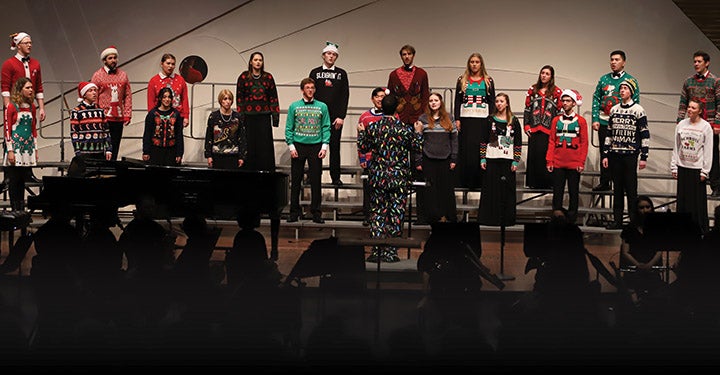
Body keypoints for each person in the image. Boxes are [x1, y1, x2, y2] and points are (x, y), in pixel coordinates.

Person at [357, 94, 423, 263]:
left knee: (378, 213)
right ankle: (391, 252)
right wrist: (418, 133)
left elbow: (364, 148)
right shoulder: (404, 129)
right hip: (399, 177)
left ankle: (377, 250)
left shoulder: (373, 128)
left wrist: (361, 133)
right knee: (396, 213)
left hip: (378, 176)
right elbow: (417, 147)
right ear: (396, 109)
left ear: (382, 108)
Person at [388, 44, 430, 223]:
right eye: (404, 54)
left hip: (416, 118)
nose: (406, 57)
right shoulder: (393, 74)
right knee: (398, 156)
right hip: (399, 118)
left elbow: (426, 95)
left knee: (417, 157)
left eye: (409, 54)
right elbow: (389, 96)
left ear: (414, 55)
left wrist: (425, 117)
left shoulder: (421, 74)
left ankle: (421, 210)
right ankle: (397, 208)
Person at [602, 78, 649, 229]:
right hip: (615, 154)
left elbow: (644, 134)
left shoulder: (638, 110)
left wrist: (644, 156)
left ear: (631, 92)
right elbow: (609, 133)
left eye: (625, 88)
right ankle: (617, 220)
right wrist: (605, 154)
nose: (622, 90)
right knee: (617, 189)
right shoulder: (614, 109)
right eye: (621, 88)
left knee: (631, 189)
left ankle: (634, 221)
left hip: (630, 155)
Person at [591, 50, 640, 192]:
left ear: (623, 62)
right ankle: (605, 181)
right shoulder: (603, 79)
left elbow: (636, 102)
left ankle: (622, 182)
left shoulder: (631, 81)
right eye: (611, 59)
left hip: (622, 123)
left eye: (617, 59)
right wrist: (595, 118)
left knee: (621, 153)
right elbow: (596, 99)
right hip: (604, 121)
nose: (613, 62)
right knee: (604, 152)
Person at [285, 78, 331, 224]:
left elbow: (326, 126)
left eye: (312, 87)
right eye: (307, 87)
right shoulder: (294, 106)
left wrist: (324, 146)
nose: (310, 90)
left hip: (316, 146)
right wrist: (291, 146)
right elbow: (289, 127)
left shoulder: (322, 106)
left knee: (316, 181)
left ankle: (316, 212)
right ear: (302, 90)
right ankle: (294, 212)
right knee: (296, 180)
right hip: (299, 145)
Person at [677, 50, 720, 198]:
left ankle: (715, 185)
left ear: (706, 63)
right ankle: (691, 184)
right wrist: (680, 122)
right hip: (692, 125)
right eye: (694, 61)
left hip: (709, 123)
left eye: (699, 61)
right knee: (690, 152)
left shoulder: (715, 81)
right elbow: (683, 103)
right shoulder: (688, 81)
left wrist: (717, 124)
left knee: (712, 154)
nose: (696, 64)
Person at [478, 93, 522, 226]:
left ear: (507, 103)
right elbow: (483, 140)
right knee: (490, 190)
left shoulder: (513, 121)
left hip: (507, 160)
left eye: (501, 101)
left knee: (506, 191)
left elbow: (518, 142)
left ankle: (506, 219)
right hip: (492, 159)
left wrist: (516, 160)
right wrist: (482, 158)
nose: (499, 104)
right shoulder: (489, 120)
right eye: (497, 101)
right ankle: (489, 218)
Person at [309, 42, 349, 186]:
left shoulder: (342, 74)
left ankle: (335, 176)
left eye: (333, 54)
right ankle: (313, 175)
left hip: (335, 118)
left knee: (334, 147)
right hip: (317, 116)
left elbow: (345, 95)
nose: (331, 56)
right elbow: (310, 92)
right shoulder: (314, 73)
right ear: (323, 55)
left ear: (336, 57)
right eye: (328, 54)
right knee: (315, 147)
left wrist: (341, 116)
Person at [546, 89, 588, 224]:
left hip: (574, 163)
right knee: (557, 193)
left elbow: (584, 143)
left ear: (574, 103)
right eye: (563, 100)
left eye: (568, 100)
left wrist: (581, 162)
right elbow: (552, 140)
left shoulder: (581, 121)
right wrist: (549, 160)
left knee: (573, 192)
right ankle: (556, 218)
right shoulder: (555, 120)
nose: (565, 103)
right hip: (558, 162)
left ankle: (571, 220)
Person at [453, 52, 495, 189]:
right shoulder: (462, 80)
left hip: (482, 120)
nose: (474, 64)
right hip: (466, 120)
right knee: (466, 149)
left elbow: (492, 101)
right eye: (472, 62)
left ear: (481, 64)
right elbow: (458, 101)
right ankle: (464, 180)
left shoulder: (488, 81)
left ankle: (480, 181)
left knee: (480, 148)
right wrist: (457, 119)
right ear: (468, 64)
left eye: (477, 62)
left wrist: (491, 120)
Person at [415, 92, 458, 223]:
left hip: (445, 159)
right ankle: (430, 217)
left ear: (441, 102)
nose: (433, 103)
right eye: (431, 100)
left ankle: (446, 217)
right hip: (428, 159)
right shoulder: (423, 119)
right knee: (429, 191)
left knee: (445, 191)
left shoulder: (449, 118)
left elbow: (454, 140)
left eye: (436, 100)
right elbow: (418, 141)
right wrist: (418, 159)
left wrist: (454, 158)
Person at [671, 99, 714, 234]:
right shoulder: (681, 125)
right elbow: (676, 147)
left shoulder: (705, 126)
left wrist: (705, 171)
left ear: (700, 111)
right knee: (683, 201)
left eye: (693, 108)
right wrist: (674, 166)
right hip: (683, 167)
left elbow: (708, 150)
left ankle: (698, 230)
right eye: (689, 107)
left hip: (697, 170)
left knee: (696, 203)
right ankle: (682, 230)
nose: (689, 110)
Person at [236, 51, 279, 172]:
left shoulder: (268, 77)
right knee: (249, 146)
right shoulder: (243, 77)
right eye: (255, 60)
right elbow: (240, 98)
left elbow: (273, 98)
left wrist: (275, 118)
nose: (258, 62)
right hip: (248, 118)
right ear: (251, 62)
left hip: (264, 118)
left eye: (260, 60)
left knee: (264, 147)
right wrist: (240, 117)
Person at [90, 45, 132, 161]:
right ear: (104, 60)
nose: (113, 60)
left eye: (115, 58)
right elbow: (93, 96)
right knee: (103, 145)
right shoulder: (97, 76)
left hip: (118, 117)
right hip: (104, 117)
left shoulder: (123, 75)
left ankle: (112, 169)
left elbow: (128, 95)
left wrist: (127, 114)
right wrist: (96, 115)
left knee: (115, 145)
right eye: (110, 58)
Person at [524, 65, 562, 189]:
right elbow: (527, 109)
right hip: (534, 129)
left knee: (546, 156)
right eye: (542, 73)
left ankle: (547, 183)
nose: (544, 75)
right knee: (534, 157)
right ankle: (533, 183)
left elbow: (559, 112)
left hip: (549, 130)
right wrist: (526, 125)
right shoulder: (533, 90)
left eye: (547, 74)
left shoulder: (556, 92)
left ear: (551, 77)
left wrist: (557, 129)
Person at [3, 77, 37, 211]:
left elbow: (33, 127)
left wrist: (35, 148)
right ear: (20, 89)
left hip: (27, 147)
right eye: (27, 87)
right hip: (15, 147)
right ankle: (15, 209)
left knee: (22, 181)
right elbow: (7, 129)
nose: (30, 90)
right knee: (14, 180)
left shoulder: (32, 107)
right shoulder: (11, 106)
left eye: (31, 87)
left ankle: (21, 210)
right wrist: (10, 150)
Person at [619, 196, 664, 297]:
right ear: (636, 210)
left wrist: (650, 265)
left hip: (652, 268)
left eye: (648, 207)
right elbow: (625, 252)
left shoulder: (657, 228)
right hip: (634, 269)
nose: (645, 210)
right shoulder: (629, 229)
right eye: (641, 208)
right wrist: (638, 265)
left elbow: (660, 250)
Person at [357, 87, 388, 226]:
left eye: (382, 96)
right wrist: (362, 158)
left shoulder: (391, 116)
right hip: (369, 160)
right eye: (377, 96)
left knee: (384, 190)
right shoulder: (364, 117)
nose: (380, 99)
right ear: (372, 99)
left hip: (386, 160)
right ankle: (368, 216)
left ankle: (384, 216)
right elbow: (361, 138)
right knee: (369, 190)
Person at [2, 32, 45, 121]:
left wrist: (41, 108)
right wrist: (8, 108)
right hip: (15, 105)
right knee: (14, 131)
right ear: (18, 45)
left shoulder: (36, 64)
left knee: (30, 131)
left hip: (29, 106)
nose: (29, 45)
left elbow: (39, 88)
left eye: (30, 43)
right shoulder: (9, 64)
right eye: (26, 43)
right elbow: (5, 89)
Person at [204, 89, 246, 169]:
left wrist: (242, 156)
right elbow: (209, 136)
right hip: (217, 155)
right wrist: (208, 155)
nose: (228, 101)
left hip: (233, 156)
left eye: (230, 99)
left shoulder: (237, 117)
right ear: (220, 100)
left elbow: (242, 137)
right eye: (225, 99)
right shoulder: (214, 116)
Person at [70, 82, 112, 160]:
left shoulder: (100, 111)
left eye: (95, 90)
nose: (94, 93)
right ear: (84, 94)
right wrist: (77, 151)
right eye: (90, 91)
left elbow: (106, 131)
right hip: (84, 152)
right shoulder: (76, 111)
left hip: (99, 151)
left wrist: (108, 149)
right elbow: (74, 133)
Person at [143, 87, 184, 166]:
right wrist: (146, 151)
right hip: (155, 150)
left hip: (171, 151)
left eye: (169, 97)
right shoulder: (152, 114)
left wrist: (179, 153)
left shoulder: (176, 114)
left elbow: (179, 135)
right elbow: (147, 134)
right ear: (160, 98)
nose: (167, 99)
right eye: (164, 97)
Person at [147, 53, 189, 128]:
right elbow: (151, 101)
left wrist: (186, 116)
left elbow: (184, 99)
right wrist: (152, 116)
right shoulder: (154, 81)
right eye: (168, 63)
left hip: (177, 116)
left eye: (173, 64)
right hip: (159, 116)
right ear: (162, 64)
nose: (170, 66)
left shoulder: (180, 80)